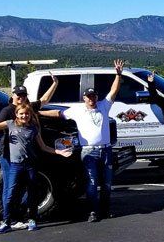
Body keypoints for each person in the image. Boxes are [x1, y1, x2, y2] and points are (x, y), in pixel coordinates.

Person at [0, 74, 59, 230]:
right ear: (13, 96)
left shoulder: (28, 108)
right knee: (10, 188)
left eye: (23, 95)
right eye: (18, 95)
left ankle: (23, 215)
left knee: (28, 186)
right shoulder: (7, 111)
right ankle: (10, 219)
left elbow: (44, 100)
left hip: (29, 156)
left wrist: (55, 83)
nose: (21, 97)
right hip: (8, 155)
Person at [42, 59, 123, 223]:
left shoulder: (104, 105)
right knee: (91, 183)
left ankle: (105, 210)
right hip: (89, 151)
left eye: (93, 96)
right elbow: (58, 114)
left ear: (96, 97)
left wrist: (118, 75)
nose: (91, 99)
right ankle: (93, 211)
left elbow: (114, 91)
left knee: (107, 183)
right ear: (84, 98)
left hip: (106, 149)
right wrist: (37, 113)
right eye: (88, 96)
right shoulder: (77, 110)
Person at [0, 104, 72, 234]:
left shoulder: (34, 128)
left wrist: (59, 152)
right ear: (17, 114)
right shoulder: (10, 124)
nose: (24, 116)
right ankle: (6, 222)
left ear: (30, 115)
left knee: (32, 192)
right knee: (10, 194)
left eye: (27, 114)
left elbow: (43, 146)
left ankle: (32, 220)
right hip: (15, 165)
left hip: (30, 165)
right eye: (21, 114)